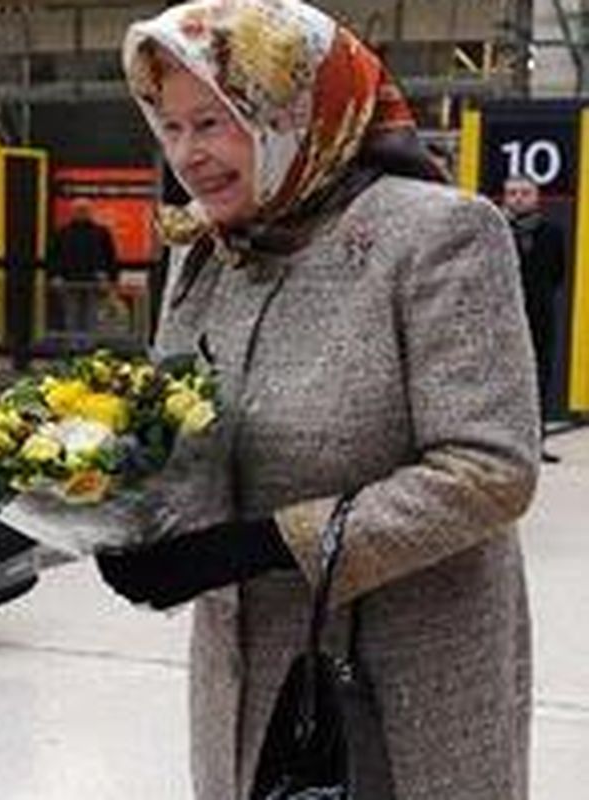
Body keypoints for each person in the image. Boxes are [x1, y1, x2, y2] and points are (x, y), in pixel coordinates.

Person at [96, 3, 540, 799]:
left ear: (292, 106)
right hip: (244, 674)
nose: (189, 155)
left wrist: (271, 542)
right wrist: (117, 515)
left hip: (404, 674)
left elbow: (491, 469)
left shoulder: (439, 235)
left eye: (215, 120)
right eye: (170, 127)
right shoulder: (207, 252)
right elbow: (177, 431)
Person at [502, 173, 567, 462]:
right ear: (504, 196)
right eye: (513, 193)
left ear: (536, 197)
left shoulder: (552, 232)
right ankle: (501, 446)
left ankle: (534, 444)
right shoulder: (495, 228)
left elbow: (557, 273)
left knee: (539, 378)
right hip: (501, 315)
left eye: (524, 193)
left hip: (540, 316)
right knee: (500, 380)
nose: (518, 198)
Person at [49, 198, 119, 336]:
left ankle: (88, 348)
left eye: (85, 210)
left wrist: (110, 278)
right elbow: (54, 257)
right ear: (72, 212)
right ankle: (73, 347)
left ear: (91, 212)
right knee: (71, 315)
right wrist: (55, 276)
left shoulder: (101, 232)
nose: (82, 213)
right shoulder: (62, 233)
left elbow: (110, 257)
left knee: (91, 316)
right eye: (78, 210)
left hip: (94, 282)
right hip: (69, 282)